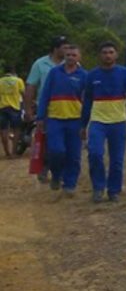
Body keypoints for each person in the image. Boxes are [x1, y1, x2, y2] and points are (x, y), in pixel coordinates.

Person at [81, 41, 126, 203]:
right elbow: (87, 100)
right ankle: (98, 188)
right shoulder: (92, 75)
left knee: (117, 160)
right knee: (95, 154)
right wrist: (83, 124)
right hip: (98, 122)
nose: (108, 55)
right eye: (104, 52)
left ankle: (114, 190)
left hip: (118, 122)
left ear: (116, 55)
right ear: (99, 55)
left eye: (110, 52)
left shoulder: (124, 73)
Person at [36, 45, 86, 197]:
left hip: (75, 120)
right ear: (64, 56)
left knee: (74, 155)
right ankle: (56, 175)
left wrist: (87, 121)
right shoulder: (54, 72)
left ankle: (70, 184)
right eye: (68, 54)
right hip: (55, 119)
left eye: (74, 55)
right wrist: (40, 116)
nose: (70, 57)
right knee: (56, 151)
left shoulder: (84, 75)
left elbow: (88, 99)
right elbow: (45, 95)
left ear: (79, 58)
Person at [24, 36, 70, 182]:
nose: (67, 51)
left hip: (67, 109)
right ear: (55, 48)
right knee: (45, 140)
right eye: (64, 48)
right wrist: (28, 109)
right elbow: (31, 86)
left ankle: (61, 170)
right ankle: (44, 167)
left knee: (64, 142)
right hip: (46, 109)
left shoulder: (71, 62)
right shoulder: (40, 64)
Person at [0, 66, 25, 159]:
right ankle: (14, 152)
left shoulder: (0, 81)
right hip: (15, 107)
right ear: (13, 71)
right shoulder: (18, 81)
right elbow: (23, 93)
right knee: (16, 130)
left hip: (2, 108)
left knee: (3, 130)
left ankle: (7, 152)